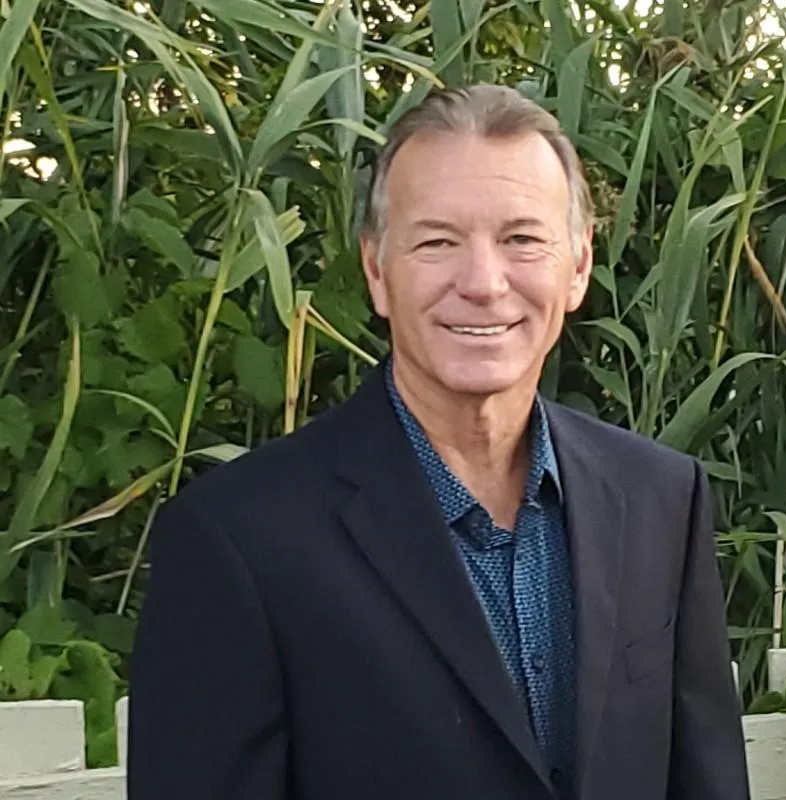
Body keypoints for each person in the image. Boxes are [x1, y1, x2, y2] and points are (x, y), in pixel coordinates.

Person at [128, 84, 750, 800]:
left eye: (522, 239)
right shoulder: (239, 539)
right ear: (376, 271)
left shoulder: (659, 500)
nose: (483, 283)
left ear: (578, 266)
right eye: (437, 242)